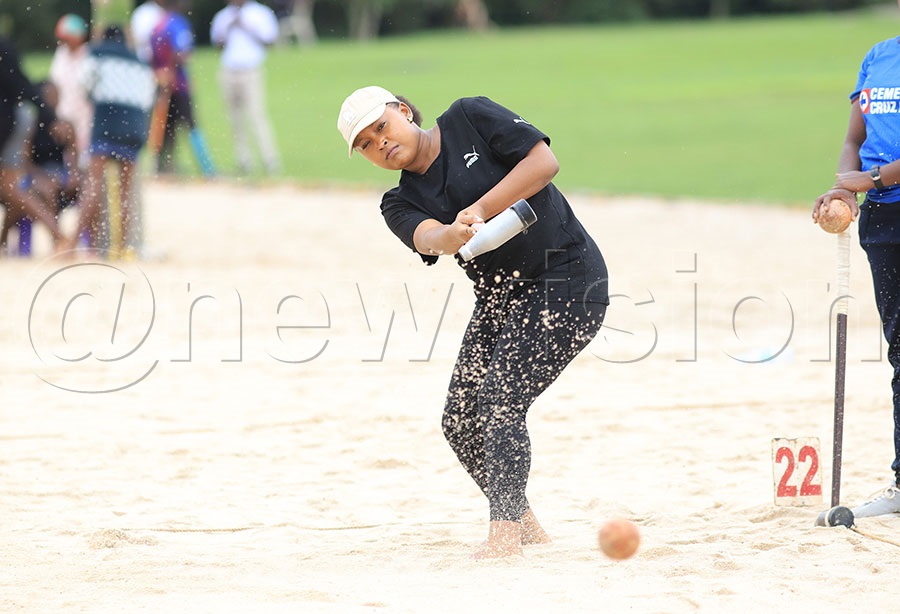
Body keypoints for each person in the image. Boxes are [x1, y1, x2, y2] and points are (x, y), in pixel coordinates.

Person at [337, 86, 609, 558]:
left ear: (403, 111)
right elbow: (429, 239)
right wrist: (451, 233)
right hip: (501, 298)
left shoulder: (468, 116)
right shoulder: (398, 202)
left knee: (500, 397)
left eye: (381, 127)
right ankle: (525, 524)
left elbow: (544, 164)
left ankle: (503, 535)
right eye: (365, 144)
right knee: (460, 420)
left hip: (569, 277)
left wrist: (482, 209)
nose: (378, 143)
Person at [814, 1, 900, 518]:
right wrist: (844, 192)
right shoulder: (879, 55)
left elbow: (869, 169)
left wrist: (872, 180)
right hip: (884, 223)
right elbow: (854, 140)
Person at [59, 25, 156, 257]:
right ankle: (122, 246)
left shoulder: (96, 53)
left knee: (94, 185)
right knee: (125, 191)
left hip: (106, 123)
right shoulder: (140, 62)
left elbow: (83, 85)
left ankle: (72, 244)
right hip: (134, 126)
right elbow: (148, 98)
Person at [0, 36, 69, 252]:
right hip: (14, 117)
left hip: (6, 120)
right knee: (9, 188)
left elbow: (22, 85)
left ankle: (58, 234)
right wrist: (50, 117)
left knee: (9, 188)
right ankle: (57, 234)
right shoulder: (4, 46)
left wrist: (50, 117)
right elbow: (23, 85)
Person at [210, 0, 282, 176]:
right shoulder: (223, 16)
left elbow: (270, 40)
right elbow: (217, 44)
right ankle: (243, 160)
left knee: (256, 115)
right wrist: (229, 28)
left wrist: (247, 27)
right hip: (229, 70)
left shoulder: (259, 13)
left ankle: (270, 159)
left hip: (251, 70)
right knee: (235, 119)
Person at [150, 0, 215, 176]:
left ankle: (163, 167)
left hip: (161, 83)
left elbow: (152, 57)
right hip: (178, 83)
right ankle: (208, 168)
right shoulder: (178, 23)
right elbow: (183, 53)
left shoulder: (157, 25)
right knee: (191, 125)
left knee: (166, 127)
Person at [49, 13, 93, 169]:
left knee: (85, 161)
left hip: (85, 115)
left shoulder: (90, 55)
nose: (63, 42)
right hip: (64, 114)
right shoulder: (61, 54)